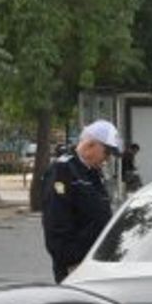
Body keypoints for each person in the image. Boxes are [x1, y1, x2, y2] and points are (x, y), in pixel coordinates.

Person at [41, 120, 121, 283]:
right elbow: (55, 222)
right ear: (90, 145)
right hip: (75, 265)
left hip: (94, 260)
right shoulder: (63, 170)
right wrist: (71, 260)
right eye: (106, 152)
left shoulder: (91, 172)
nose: (107, 158)